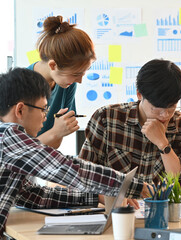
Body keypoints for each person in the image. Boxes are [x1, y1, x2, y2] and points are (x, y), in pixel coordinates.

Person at [0, 68, 149, 235]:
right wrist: (133, 185)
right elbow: (67, 168)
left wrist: (95, 196)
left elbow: (32, 195)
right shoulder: (8, 137)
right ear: (20, 110)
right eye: (43, 109)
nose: (45, 117)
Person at [79, 59, 181, 191]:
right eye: (157, 108)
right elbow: (83, 175)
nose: (165, 115)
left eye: (172, 107)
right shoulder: (107, 118)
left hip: (163, 210)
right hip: (116, 208)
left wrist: (163, 144)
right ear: (139, 94)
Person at [28, 15, 96, 149]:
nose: (80, 80)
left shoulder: (66, 83)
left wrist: (57, 133)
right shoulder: (19, 88)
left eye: (84, 72)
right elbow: (14, 154)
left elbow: (55, 143)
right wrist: (55, 132)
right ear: (53, 65)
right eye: (76, 74)